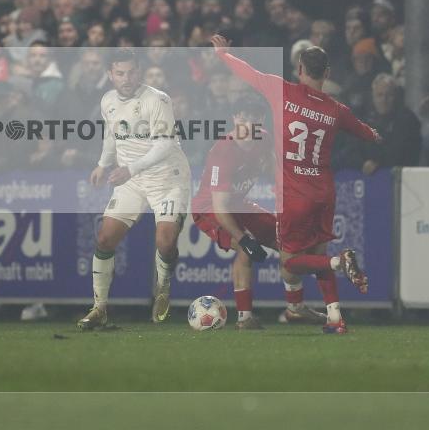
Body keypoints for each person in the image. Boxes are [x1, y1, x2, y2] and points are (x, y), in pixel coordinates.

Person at [211, 35, 375, 334]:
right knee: (319, 256)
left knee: (291, 263)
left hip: (294, 196)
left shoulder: (281, 90)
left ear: (299, 69)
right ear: (327, 73)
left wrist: (224, 54)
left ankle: (341, 262)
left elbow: (249, 73)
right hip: (324, 192)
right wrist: (374, 135)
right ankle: (335, 318)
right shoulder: (336, 110)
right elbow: (363, 132)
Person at [77, 48, 192, 330]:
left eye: (131, 72)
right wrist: (102, 165)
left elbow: (165, 144)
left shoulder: (157, 99)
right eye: (120, 73)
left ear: (139, 72)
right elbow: (111, 135)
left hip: (168, 179)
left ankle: (162, 287)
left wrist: (129, 169)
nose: (126, 78)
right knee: (105, 239)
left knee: (165, 242)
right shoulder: (108, 101)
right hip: (133, 181)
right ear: (110, 75)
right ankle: (99, 308)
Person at [191, 96, 326, 329]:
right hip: (209, 209)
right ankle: (245, 318)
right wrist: (244, 239)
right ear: (235, 119)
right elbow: (220, 207)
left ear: (261, 120)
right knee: (246, 248)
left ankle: (295, 308)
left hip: (239, 204)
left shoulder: (263, 137)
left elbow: (276, 171)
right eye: (244, 116)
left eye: (255, 117)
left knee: (288, 243)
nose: (250, 122)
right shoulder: (223, 152)